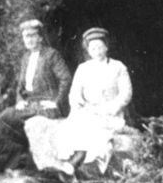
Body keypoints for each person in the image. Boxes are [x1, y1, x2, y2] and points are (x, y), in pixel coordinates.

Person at [0, 18, 71, 172]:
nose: (29, 40)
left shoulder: (51, 55)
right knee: (5, 117)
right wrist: (19, 100)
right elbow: (20, 86)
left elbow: (65, 78)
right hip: (30, 103)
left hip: (47, 105)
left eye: (32, 35)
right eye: (26, 36)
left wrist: (56, 101)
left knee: (8, 118)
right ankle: (8, 161)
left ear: (40, 37)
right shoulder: (26, 58)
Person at [54, 27, 132, 175]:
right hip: (88, 111)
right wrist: (78, 105)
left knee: (98, 132)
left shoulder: (118, 67)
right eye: (92, 47)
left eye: (99, 46)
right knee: (72, 127)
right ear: (88, 50)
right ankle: (71, 164)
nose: (96, 50)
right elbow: (74, 94)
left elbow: (126, 94)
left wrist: (110, 108)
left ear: (106, 47)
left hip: (110, 113)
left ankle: (88, 164)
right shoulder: (83, 68)